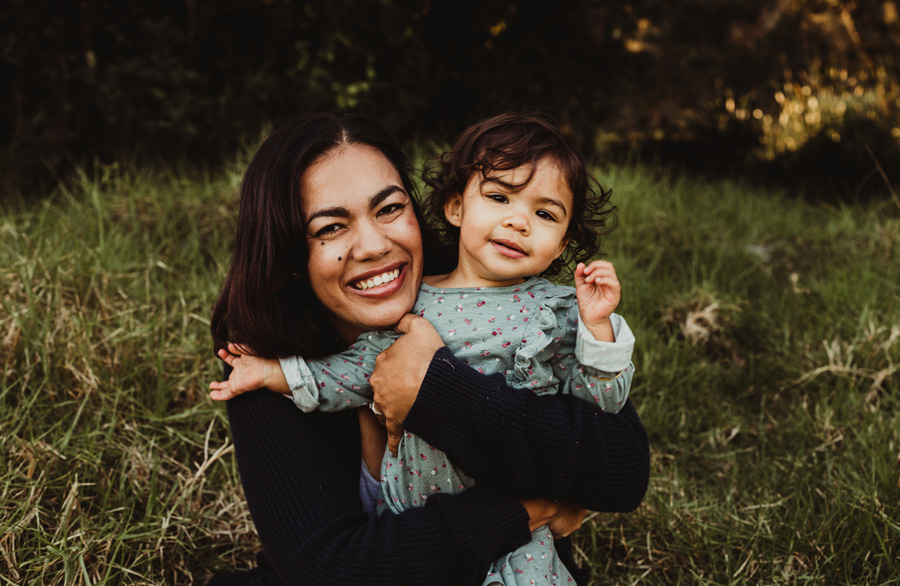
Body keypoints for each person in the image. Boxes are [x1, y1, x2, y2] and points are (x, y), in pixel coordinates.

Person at [209, 112, 650, 585]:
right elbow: (332, 571)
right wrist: (523, 508)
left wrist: (437, 389)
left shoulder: (486, 282)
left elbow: (621, 467)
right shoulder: (261, 358)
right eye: (331, 228)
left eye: (390, 209)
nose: (375, 245)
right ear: (289, 252)